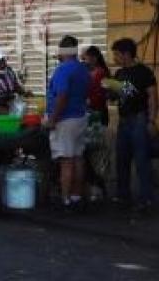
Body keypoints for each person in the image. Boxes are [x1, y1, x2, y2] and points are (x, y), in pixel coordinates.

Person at [108, 38, 159, 211]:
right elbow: (115, 96)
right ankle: (123, 195)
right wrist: (110, 89)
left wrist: (152, 120)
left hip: (139, 119)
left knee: (141, 160)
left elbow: (152, 96)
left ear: (126, 54)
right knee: (121, 159)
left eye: (116, 54)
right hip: (123, 120)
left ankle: (146, 198)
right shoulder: (119, 73)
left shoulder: (144, 72)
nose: (114, 58)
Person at [45, 35, 90, 210]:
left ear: (62, 51)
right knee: (78, 157)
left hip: (65, 120)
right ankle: (76, 195)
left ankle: (65, 199)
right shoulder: (82, 69)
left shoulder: (63, 70)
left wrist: (53, 119)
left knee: (66, 160)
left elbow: (62, 96)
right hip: (80, 117)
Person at [81, 45, 110, 201]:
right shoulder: (90, 73)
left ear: (94, 58)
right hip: (89, 117)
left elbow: (99, 96)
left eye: (84, 58)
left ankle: (97, 186)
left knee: (94, 153)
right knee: (89, 154)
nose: (82, 61)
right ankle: (95, 186)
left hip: (96, 118)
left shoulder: (100, 74)